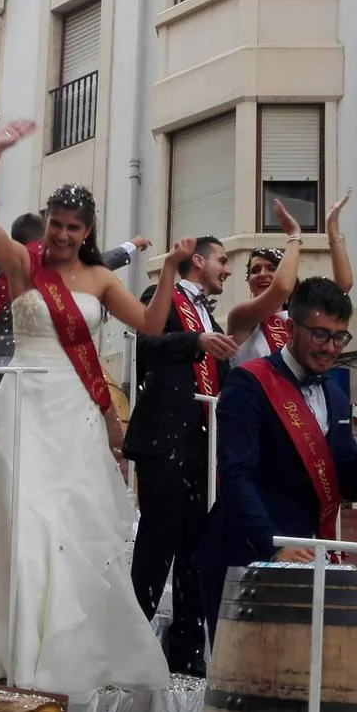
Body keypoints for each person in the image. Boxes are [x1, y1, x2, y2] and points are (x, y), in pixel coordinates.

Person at [0, 118, 191, 700]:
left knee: (73, 522)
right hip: (24, 400)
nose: (62, 235)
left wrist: (171, 269)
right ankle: (5, 642)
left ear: (88, 231)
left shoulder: (102, 279)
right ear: (46, 222)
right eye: (56, 224)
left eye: (73, 228)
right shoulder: (26, 265)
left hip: (75, 409)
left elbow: (152, 327)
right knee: (19, 516)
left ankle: (63, 647)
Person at [195, 277, 357, 639]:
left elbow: (346, 486)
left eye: (339, 337)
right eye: (319, 334)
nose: (330, 347)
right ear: (290, 327)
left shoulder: (336, 396)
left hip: (308, 558)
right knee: (244, 688)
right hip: (246, 554)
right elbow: (236, 476)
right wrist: (273, 546)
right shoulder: (248, 383)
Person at [0, 212, 150, 490]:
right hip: (33, 359)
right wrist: (131, 245)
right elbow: (100, 265)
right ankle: (35, 492)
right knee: (38, 434)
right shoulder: (51, 266)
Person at [124, 234, 235, 677]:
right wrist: (196, 342)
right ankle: (129, 644)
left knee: (197, 551)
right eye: (222, 261)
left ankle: (186, 657)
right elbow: (147, 345)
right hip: (166, 438)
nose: (227, 269)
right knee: (157, 546)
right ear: (198, 261)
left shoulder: (212, 317)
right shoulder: (161, 294)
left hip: (203, 445)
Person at [229, 189, 354, 366]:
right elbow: (281, 289)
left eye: (272, 268)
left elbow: (343, 287)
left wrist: (332, 229)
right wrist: (294, 236)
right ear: (248, 280)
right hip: (254, 392)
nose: (263, 274)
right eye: (255, 270)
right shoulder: (241, 317)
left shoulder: (297, 316)